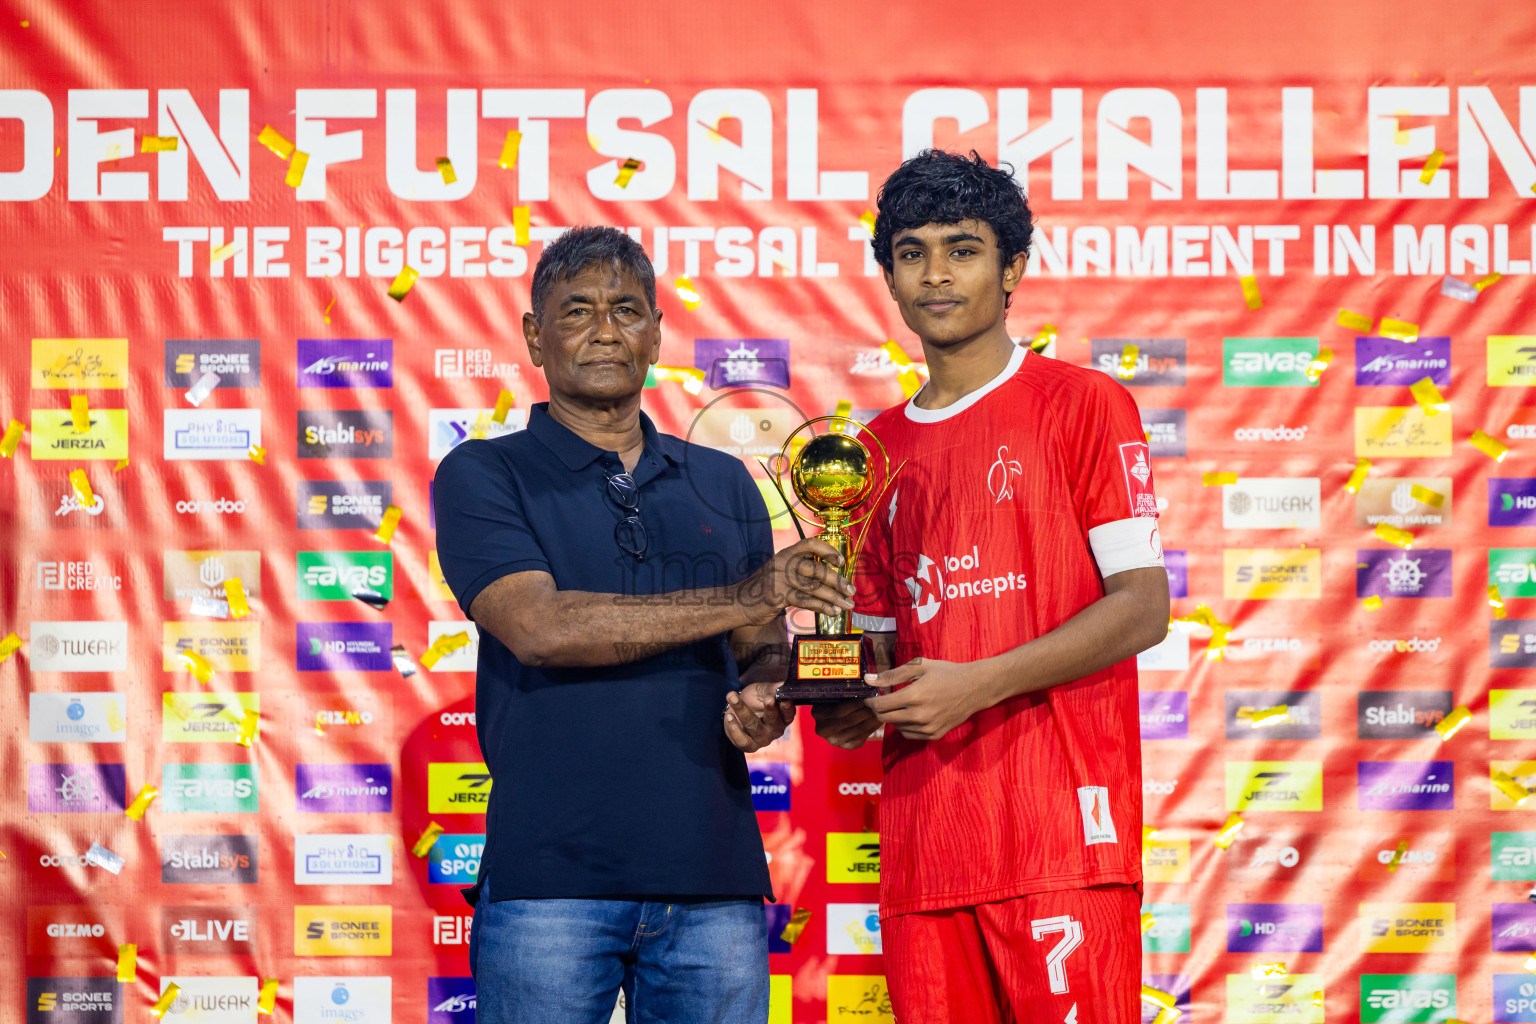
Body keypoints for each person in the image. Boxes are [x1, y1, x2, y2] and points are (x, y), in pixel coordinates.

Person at [433, 225, 853, 1024]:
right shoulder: (484, 472)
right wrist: (747, 594)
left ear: (657, 334)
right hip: (550, 881)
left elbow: (758, 644)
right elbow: (540, 628)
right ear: (533, 336)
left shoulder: (723, 481)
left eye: (627, 310)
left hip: (715, 877)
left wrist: (764, 697)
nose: (604, 330)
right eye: (576, 311)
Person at [812, 151, 1171, 1024]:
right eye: (911, 252)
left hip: (1060, 837)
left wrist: (974, 684)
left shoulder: (1083, 404)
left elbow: (1144, 605)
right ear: (888, 275)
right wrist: (842, 696)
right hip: (926, 849)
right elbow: (868, 658)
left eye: (962, 250)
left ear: (1012, 269)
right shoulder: (865, 452)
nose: (935, 275)